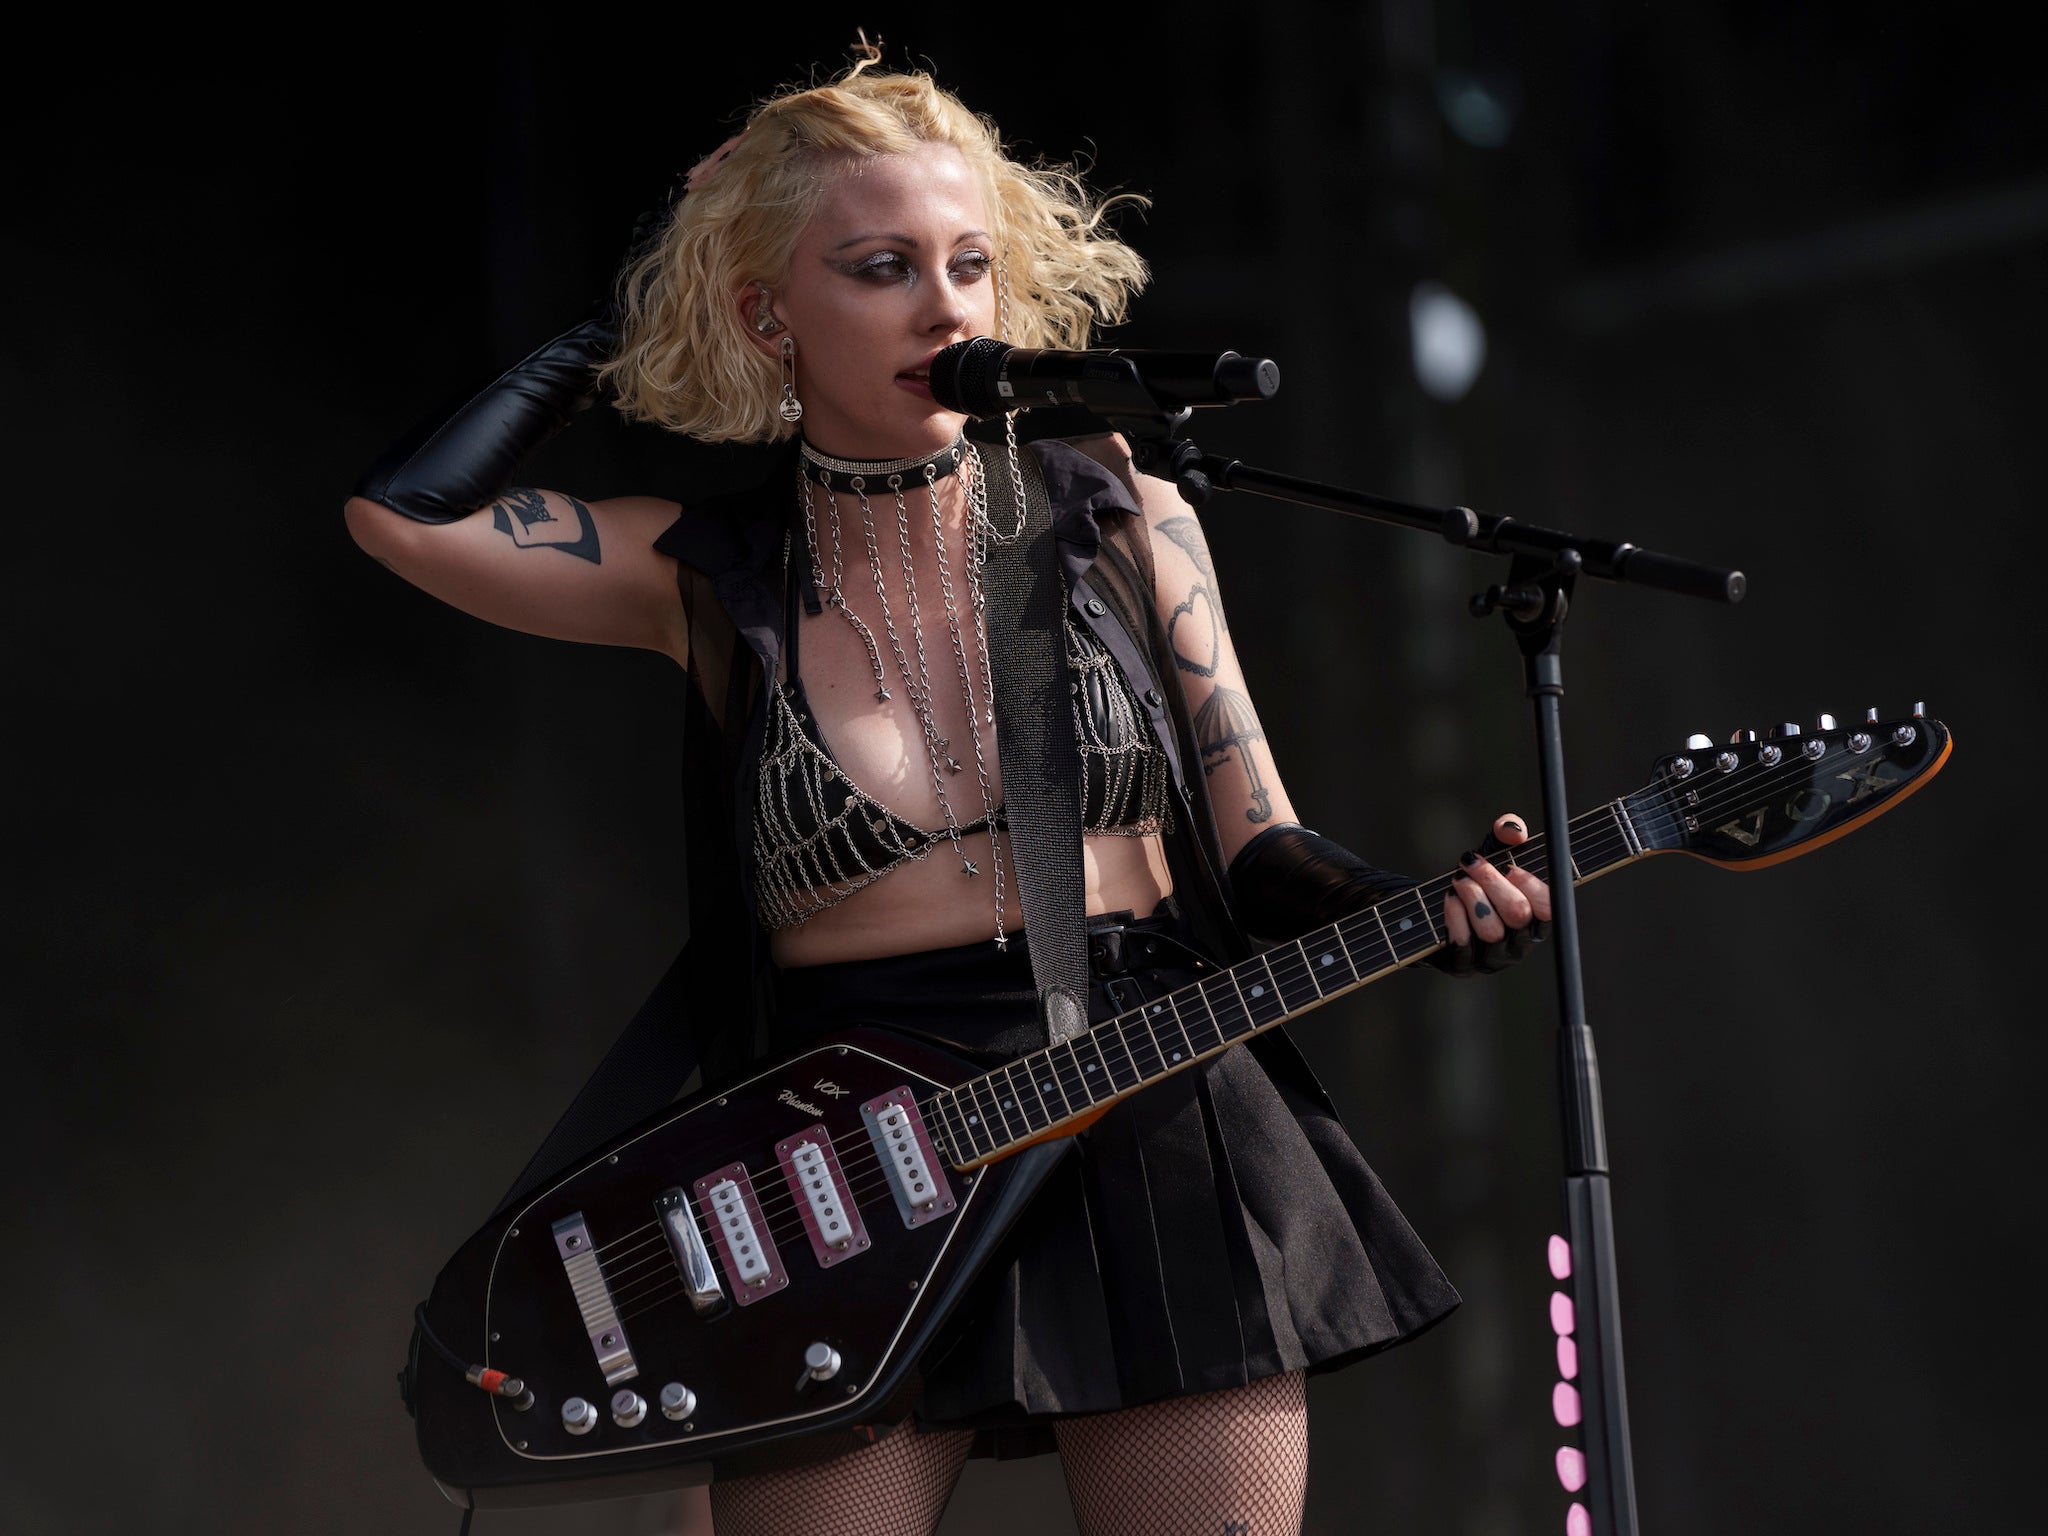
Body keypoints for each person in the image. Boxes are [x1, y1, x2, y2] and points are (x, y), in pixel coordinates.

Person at [346, 49, 1551, 1536]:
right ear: (766, 312)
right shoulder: (705, 576)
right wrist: (643, 297)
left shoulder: (1121, 510)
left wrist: (1416, 906)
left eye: (972, 263)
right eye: (880, 266)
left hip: (1151, 1100)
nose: (945, 305)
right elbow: (401, 515)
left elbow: (1261, 844)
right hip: (839, 1174)